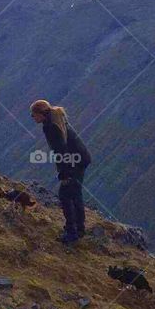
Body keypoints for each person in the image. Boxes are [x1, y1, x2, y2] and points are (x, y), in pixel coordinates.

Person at [30, 99, 92, 244]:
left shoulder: (51, 126)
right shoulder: (55, 119)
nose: (32, 118)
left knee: (65, 195)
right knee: (75, 193)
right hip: (81, 158)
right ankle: (79, 229)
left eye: (33, 115)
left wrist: (65, 173)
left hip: (75, 161)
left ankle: (72, 233)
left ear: (41, 114)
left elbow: (61, 151)